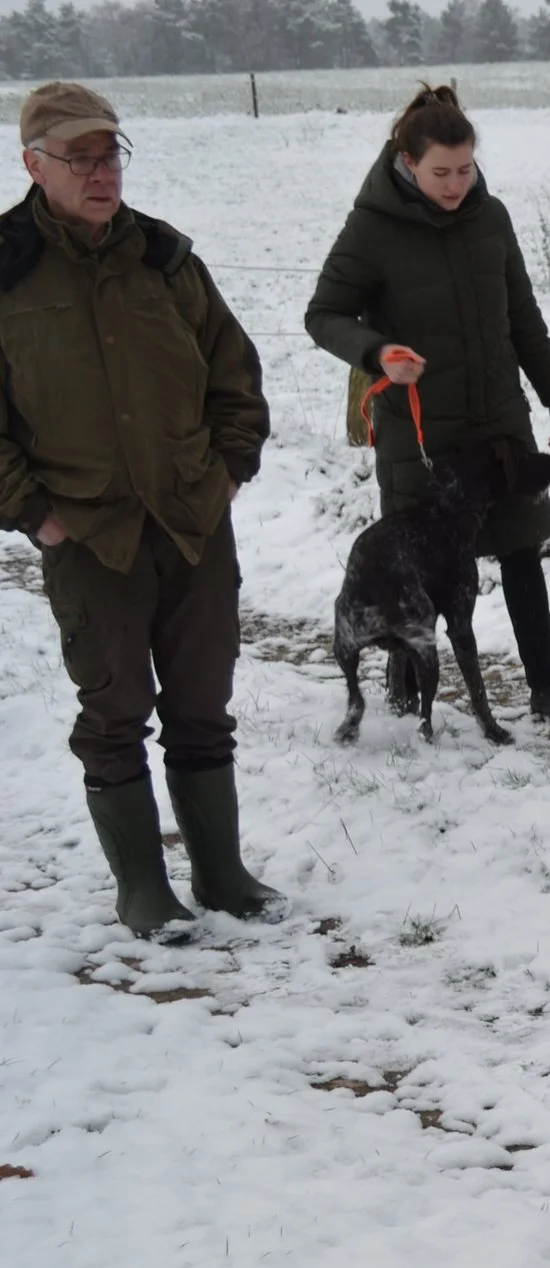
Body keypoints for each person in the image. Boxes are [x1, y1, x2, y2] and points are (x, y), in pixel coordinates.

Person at [2, 82, 283, 939]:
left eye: (110, 155)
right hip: (90, 536)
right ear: (34, 165)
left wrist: (227, 472)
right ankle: (142, 889)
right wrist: (36, 513)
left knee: (202, 705)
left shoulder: (166, 259)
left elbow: (234, 375)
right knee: (114, 710)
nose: (101, 174)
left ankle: (222, 873)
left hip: (193, 525)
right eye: (80, 158)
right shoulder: (6, 272)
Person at [305, 84, 550, 731]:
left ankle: (546, 689)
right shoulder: (372, 229)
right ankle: (403, 685)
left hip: (498, 420)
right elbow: (323, 315)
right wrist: (377, 353)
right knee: (415, 566)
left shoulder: (492, 219)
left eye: (465, 169)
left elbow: (522, 316)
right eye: (442, 173)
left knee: (521, 550)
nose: (457, 184)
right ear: (407, 162)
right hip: (419, 433)